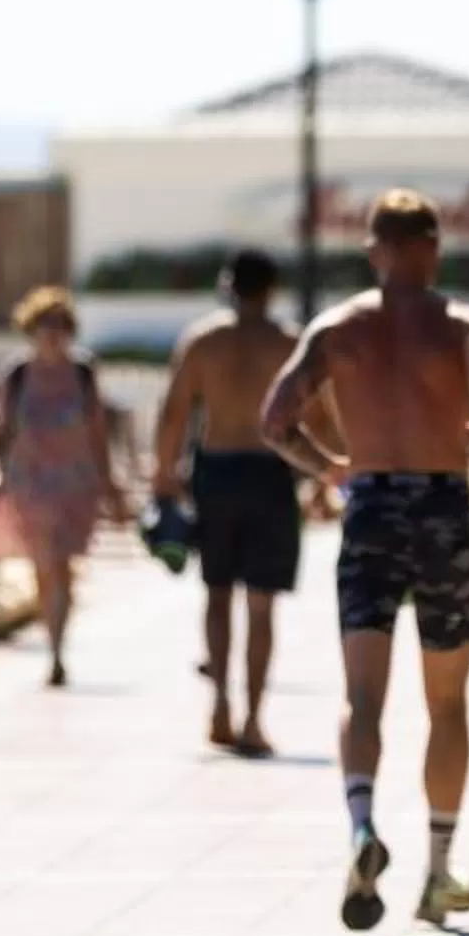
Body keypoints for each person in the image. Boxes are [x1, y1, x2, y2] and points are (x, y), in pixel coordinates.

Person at [261, 189, 469, 933]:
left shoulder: (338, 327)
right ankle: (439, 870)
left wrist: (332, 468)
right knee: (446, 701)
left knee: (363, 696)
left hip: (371, 505)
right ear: (434, 249)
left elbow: (274, 418)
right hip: (442, 506)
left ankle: (360, 827)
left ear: (375, 250)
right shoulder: (461, 324)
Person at [151, 247, 308, 758]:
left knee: (217, 593)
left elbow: (174, 413)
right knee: (261, 604)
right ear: (272, 289)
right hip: (269, 471)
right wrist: (325, 478)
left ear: (228, 284)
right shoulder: (289, 344)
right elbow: (319, 415)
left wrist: (163, 478)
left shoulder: (203, 342)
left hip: (216, 472)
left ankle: (219, 704)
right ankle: (255, 719)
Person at [0, 287, 128, 689]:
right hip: (30, 484)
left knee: (63, 566)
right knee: (43, 565)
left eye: (61, 326)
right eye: (45, 326)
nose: (53, 335)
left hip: (75, 484)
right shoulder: (16, 375)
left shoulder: (83, 372)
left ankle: (58, 645)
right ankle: (53, 643)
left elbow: (99, 432)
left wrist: (110, 484)